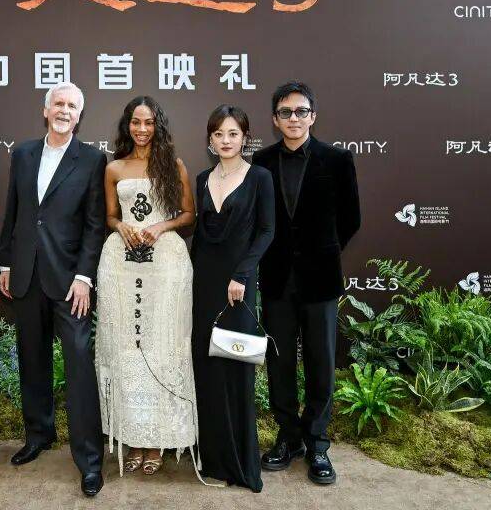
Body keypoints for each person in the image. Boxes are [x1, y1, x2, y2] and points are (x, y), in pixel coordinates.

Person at [0, 82, 108, 497]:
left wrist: (84, 277)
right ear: (46, 110)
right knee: (32, 359)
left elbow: (95, 224)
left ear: (80, 115)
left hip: (69, 282)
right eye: (58, 103)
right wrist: (6, 262)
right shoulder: (24, 154)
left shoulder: (92, 159)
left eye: (72, 106)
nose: (64, 111)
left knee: (79, 366)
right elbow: (14, 213)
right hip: (26, 275)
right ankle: (39, 435)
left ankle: (89, 460)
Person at [252, 81, 361, 485]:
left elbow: (351, 218)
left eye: (301, 111)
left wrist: (324, 251)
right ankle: (288, 437)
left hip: (320, 279)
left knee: (321, 363)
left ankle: (317, 443)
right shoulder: (261, 162)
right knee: (279, 362)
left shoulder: (337, 159)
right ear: (275, 119)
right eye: (285, 112)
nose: (293, 118)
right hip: (277, 279)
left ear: (313, 116)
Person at [95, 96, 197, 477]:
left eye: (149, 122)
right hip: (121, 264)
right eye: (136, 122)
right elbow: (109, 216)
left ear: (158, 126)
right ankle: (133, 438)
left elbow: (189, 215)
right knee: (128, 350)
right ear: (127, 125)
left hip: (165, 265)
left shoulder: (174, 165)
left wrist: (160, 226)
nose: (142, 129)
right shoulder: (114, 168)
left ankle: (157, 441)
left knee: (161, 347)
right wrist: (121, 226)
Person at [190, 105, 275, 492]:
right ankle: (214, 461)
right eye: (218, 134)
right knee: (208, 368)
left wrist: (242, 274)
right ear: (210, 139)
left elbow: (266, 231)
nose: (225, 140)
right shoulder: (202, 179)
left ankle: (242, 464)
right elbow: (201, 237)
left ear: (245, 138)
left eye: (233, 133)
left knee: (236, 366)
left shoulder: (259, 177)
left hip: (238, 284)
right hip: (205, 282)